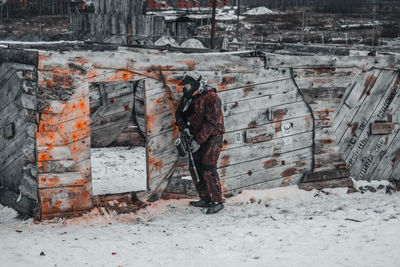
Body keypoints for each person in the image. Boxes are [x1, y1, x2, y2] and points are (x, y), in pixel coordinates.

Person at [175, 71, 225, 214]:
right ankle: (205, 198)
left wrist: (198, 141)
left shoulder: (212, 97)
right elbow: (179, 114)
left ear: (196, 84)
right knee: (195, 167)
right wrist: (185, 129)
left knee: (209, 167)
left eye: (187, 85)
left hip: (213, 136)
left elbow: (211, 123)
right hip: (196, 135)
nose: (184, 88)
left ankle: (217, 201)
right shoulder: (188, 98)